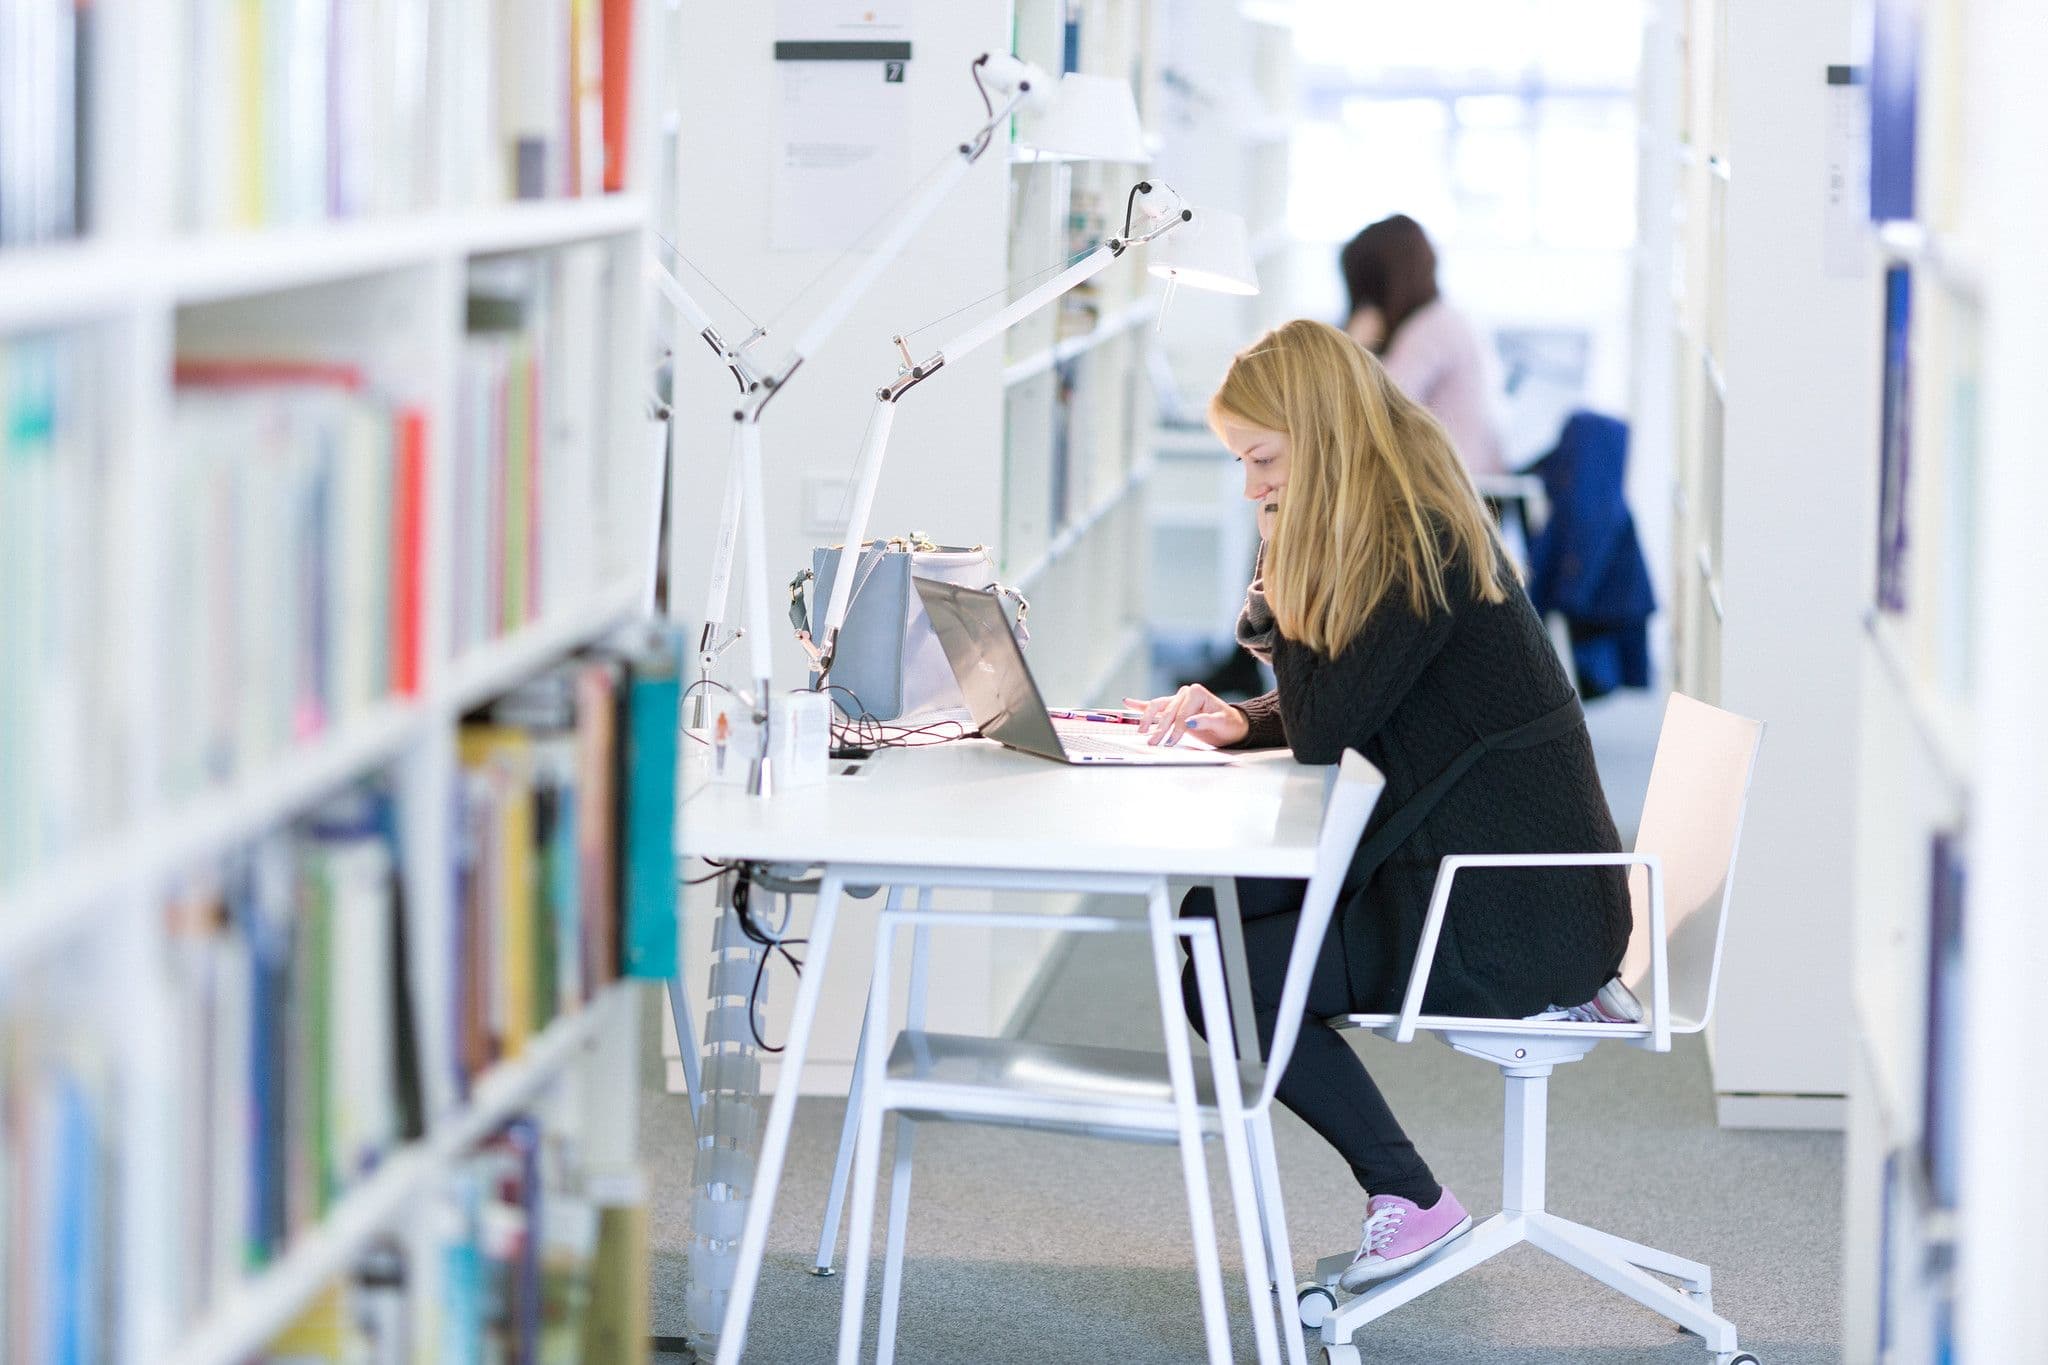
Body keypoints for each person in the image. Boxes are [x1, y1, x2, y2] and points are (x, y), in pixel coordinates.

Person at [1123, 319, 1635, 1289]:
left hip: (1513, 912)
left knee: (1222, 972)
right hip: (1485, 873)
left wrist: (1277, 581)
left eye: (1261, 459)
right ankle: (1406, 1193)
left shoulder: (1408, 546)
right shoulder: (1403, 522)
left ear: (1320, 436)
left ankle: (1409, 1198)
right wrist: (1246, 719)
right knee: (1218, 915)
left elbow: (1330, 731)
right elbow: (1359, 698)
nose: (1251, 486)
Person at [1339, 214, 1507, 479]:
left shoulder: (1432, 328)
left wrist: (1351, 346)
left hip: (1453, 485)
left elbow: (1372, 409)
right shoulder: (1447, 319)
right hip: (1464, 478)